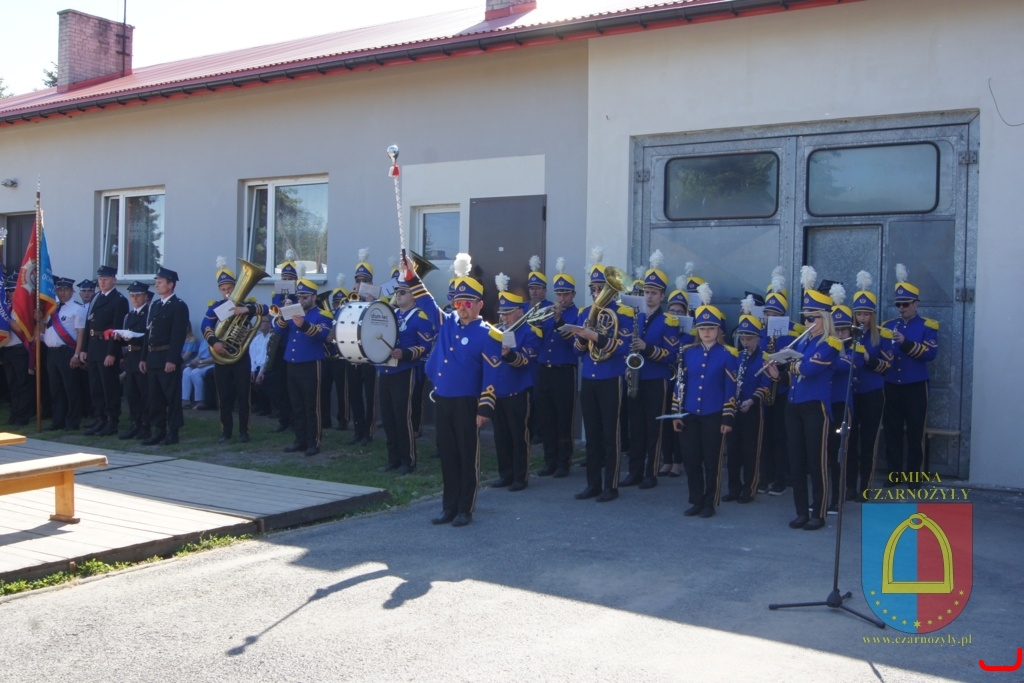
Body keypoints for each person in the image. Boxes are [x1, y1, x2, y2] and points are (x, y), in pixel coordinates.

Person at [404, 252, 500, 527]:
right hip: (444, 399)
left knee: (467, 457)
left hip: (467, 403)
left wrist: (485, 408)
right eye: (458, 302)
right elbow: (426, 301)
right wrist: (410, 275)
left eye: (467, 303)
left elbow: (493, 374)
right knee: (447, 455)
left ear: (479, 304)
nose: (462, 307)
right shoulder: (447, 323)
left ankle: (464, 509)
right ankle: (448, 507)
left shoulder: (487, 334)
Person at [571, 247, 634, 503]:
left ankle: (611, 485)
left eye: (601, 288)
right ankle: (593, 484)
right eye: (594, 288)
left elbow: (624, 348)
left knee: (611, 435)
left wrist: (596, 336)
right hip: (589, 378)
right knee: (592, 435)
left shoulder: (624, 314)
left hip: (611, 378)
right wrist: (582, 336)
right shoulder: (584, 313)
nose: (597, 292)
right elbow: (577, 351)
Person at [671, 283, 738, 518]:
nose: (706, 332)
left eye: (710, 328)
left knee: (712, 462)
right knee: (691, 460)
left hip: (713, 415)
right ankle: (696, 500)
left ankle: (710, 502)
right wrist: (676, 412)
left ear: (718, 329)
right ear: (697, 330)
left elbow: (731, 388)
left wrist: (727, 417)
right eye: (702, 328)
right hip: (689, 414)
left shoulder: (728, 354)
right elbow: (680, 384)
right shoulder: (688, 352)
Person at [782, 266, 841, 531]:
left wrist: (791, 365)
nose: (807, 323)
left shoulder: (830, 343)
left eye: (811, 318)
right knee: (796, 460)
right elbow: (796, 371)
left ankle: (818, 511)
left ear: (823, 318)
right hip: (794, 405)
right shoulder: (803, 342)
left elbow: (808, 369)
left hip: (815, 407)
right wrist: (778, 370)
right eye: (806, 318)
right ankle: (800, 511)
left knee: (817, 461)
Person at [622, 251, 680, 489]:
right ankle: (634, 471)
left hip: (657, 380)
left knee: (654, 428)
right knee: (635, 427)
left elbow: (672, 356)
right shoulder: (633, 318)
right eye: (647, 292)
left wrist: (646, 348)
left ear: (662, 295)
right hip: (635, 379)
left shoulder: (669, 321)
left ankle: (651, 473)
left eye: (654, 293)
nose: (649, 296)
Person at [882, 264, 939, 487]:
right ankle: (894, 474)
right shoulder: (888, 326)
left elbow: (930, 354)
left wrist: (905, 343)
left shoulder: (927, 326)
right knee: (892, 431)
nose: (901, 308)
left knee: (915, 432)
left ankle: (915, 476)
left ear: (916, 304)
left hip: (915, 385)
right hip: (891, 384)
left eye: (905, 304)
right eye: (898, 304)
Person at [378, 277, 435, 474]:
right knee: (388, 418)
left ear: (413, 295)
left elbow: (426, 345)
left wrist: (405, 353)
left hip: (404, 371)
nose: (398, 295)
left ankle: (407, 460)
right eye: (397, 292)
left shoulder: (420, 316)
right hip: (385, 370)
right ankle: (392, 459)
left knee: (402, 417)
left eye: (402, 292)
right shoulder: (391, 314)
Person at [490, 277, 542, 491]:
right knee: (500, 436)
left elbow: (526, 360)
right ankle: (505, 474)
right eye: (502, 313)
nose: (505, 317)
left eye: (509, 313)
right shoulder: (495, 330)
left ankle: (520, 477)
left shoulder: (530, 331)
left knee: (519, 436)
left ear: (520, 311)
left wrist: (509, 354)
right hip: (498, 391)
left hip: (518, 390)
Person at [758, 267, 805, 497]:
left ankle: (780, 478)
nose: (770, 317)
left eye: (775, 314)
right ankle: (764, 476)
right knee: (764, 435)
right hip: (764, 388)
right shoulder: (760, 332)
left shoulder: (793, 333)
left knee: (780, 435)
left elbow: (797, 360)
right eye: (767, 313)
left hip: (783, 388)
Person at [273, 277, 333, 456]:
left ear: (314, 297)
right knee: (296, 404)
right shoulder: (293, 311)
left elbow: (322, 334)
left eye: (305, 297)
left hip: (311, 363)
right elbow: (278, 330)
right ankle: (300, 440)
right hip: (292, 363)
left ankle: (314, 441)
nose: (301, 300)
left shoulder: (322, 314)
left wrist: (304, 325)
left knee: (311, 405)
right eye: (299, 297)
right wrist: (284, 315)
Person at [847, 271, 893, 499]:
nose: (862, 318)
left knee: (868, 441)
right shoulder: (848, 333)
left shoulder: (882, 335)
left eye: (866, 314)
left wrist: (867, 357)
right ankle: (848, 486)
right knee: (849, 440)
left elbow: (886, 366)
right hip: (851, 393)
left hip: (872, 393)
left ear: (872, 315)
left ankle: (865, 487)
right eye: (859, 314)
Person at [723, 296, 774, 503]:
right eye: (743, 339)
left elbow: (766, 384)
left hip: (753, 408)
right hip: (735, 407)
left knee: (751, 450)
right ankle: (733, 488)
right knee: (733, 450)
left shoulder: (765, 358)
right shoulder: (737, 356)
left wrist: (751, 400)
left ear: (757, 338)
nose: (745, 342)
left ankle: (749, 489)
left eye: (749, 339)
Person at [201, 257, 255, 443]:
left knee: (243, 395)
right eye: (223, 289)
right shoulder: (215, 307)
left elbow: (265, 310)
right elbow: (205, 325)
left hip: (240, 357)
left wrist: (246, 310)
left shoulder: (246, 305)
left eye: (229, 288)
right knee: (223, 396)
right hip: (221, 357)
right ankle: (226, 431)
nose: (227, 292)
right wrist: (215, 342)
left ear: (235, 287)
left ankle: (244, 431)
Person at [534, 258, 579, 479]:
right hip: (544, 369)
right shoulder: (546, 311)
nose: (561, 298)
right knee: (546, 418)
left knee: (563, 419)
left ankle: (564, 462)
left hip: (564, 371)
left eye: (565, 294)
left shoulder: (577, 315)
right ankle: (549, 461)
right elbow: (538, 339)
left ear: (573, 295)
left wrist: (559, 320)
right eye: (558, 294)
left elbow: (574, 343)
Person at [141, 267, 190, 445]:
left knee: (171, 396)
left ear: (170, 285)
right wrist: (143, 357)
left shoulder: (178, 306)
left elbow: (178, 335)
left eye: (160, 282)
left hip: (167, 356)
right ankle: (159, 430)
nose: (157, 285)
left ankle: (173, 432)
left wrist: (171, 359)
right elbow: (148, 333)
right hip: (153, 356)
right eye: (157, 282)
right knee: (155, 397)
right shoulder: (155, 305)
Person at [81, 265, 129, 436]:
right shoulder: (96, 298)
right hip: (94, 347)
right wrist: (84, 348)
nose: (102, 282)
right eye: (100, 279)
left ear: (114, 280)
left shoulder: (119, 300)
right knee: (96, 387)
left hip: (107, 347)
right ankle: (100, 418)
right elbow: (89, 324)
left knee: (109, 387)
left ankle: (111, 421)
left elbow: (117, 329)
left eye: (105, 279)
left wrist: (112, 353)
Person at [825, 284, 859, 514]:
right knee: (825, 454)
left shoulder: (854, 349)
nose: (839, 334)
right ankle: (825, 496)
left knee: (839, 453)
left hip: (841, 405)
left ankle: (839, 496)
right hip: (824, 404)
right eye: (836, 330)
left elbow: (841, 367)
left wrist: (827, 356)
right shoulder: (827, 347)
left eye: (844, 330)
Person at [40, 277, 86, 431]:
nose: (62, 293)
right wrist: (38, 320)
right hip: (51, 353)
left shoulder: (77, 309)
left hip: (67, 352)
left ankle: (73, 421)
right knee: (56, 389)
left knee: (71, 388)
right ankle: (58, 420)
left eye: (65, 290)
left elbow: (81, 334)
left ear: (72, 291)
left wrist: (76, 355)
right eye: (59, 290)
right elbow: (44, 330)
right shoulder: (52, 308)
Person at [658, 280, 693, 477]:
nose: (676, 314)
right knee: (665, 420)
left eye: (680, 311)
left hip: (682, 382)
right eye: (672, 310)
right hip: (665, 378)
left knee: (679, 420)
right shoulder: (663, 328)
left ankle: (678, 462)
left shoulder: (691, 334)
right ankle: (667, 460)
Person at [347, 248, 377, 446]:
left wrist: (371, 303)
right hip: (352, 353)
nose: (360, 283)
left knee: (370, 395)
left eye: (364, 280)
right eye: (358, 280)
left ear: (371, 282)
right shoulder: (350, 300)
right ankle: (357, 430)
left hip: (370, 355)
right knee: (354, 394)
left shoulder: (379, 302)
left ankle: (368, 431)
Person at [116, 281, 151, 440]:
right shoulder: (129, 316)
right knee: (131, 394)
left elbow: (148, 337)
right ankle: (135, 423)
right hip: (130, 356)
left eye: (138, 295)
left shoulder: (148, 314)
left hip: (141, 355)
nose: (135, 298)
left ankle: (145, 425)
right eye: (132, 296)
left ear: (145, 296)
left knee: (144, 393)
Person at [249, 316, 273, 416]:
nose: (260, 324)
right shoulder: (256, 339)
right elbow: (252, 355)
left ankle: (269, 407)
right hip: (256, 367)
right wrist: (252, 370)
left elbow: (268, 357)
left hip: (267, 368)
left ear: (269, 324)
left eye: (263, 321)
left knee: (266, 380)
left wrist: (260, 372)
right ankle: (257, 404)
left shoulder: (272, 338)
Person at [182, 339, 215, 409]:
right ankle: (185, 400)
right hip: (201, 363)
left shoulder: (216, 341)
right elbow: (199, 355)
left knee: (195, 373)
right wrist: (194, 361)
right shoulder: (204, 341)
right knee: (186, 371)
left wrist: (200, 363)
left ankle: (200, 401)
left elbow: (214, 359)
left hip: (211, 364)